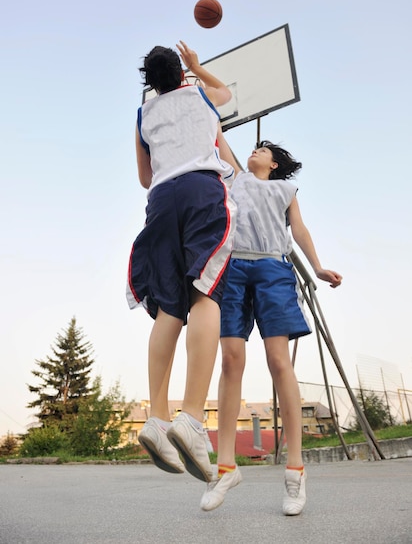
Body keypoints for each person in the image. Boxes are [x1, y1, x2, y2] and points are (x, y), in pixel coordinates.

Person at [200, 137, 342, 514]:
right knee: (230, 360)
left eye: (264, 151)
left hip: (272, 268)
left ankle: (295, 470)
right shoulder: (237, 179)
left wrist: (317, 266)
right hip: (234, 267)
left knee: (279, 361)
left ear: (275, 164)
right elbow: (218, 132)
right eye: (254, 149)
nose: (255, 152)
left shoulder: (284, 189)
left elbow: (299, 230)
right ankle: (226, 467)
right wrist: (196, 79)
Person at [126, 41, 237, 483]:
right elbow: (226, 92)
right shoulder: (201, 94)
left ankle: (156, 417)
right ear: (181, 74)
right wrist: (198, 68)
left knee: (169, 309)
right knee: (205, 295)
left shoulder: (142, 116)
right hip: (200, 191)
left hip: (161, 201)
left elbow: (144, 178)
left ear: (148, 83)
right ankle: (191, 419)